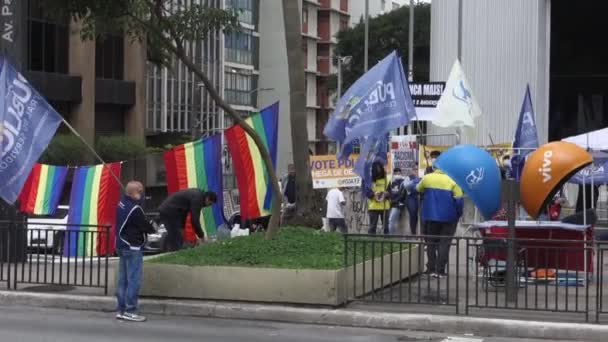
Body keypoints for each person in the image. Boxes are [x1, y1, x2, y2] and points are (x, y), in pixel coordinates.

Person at [115, 181, 156, 322]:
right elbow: (146, 226)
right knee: (133, 280)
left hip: (121, 246)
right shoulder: (135, 209)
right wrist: (152, 226)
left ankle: (121, 310)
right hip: (132, 248)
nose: (143, 194)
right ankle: (130, 310)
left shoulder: (121, 203)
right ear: (136, 192)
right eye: (142, 191)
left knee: (123, 280)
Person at [416, 165, 464, 278]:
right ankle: (440, 271)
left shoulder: (427, 178)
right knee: (444, 244)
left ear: (434, 168)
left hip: (431, 217)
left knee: (431, 243)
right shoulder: (453, 180)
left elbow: (418, 189)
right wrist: (458, 213)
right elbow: (459, 200)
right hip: (449, 217)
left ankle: (430, 269)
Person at [366, 161, 390, 235]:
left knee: (386, 227)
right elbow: (367, 192)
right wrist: (374, 195)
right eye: (377, 170)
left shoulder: (387, 179)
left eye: (380, 169)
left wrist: (386, 194)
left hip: (384, 206)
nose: (379, 171)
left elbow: (390, 192)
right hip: (373, 206)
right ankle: (371, 242)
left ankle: (386, 242)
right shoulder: (369, 180)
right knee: (372, 227)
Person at [387, 168, 407, 235]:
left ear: (401, 174)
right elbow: (388, 192)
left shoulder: (403, 182)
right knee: (390, 221)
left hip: (398, 205)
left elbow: (402, 195)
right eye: (396, 173)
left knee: (391, 220)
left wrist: (394, 201)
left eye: (399, 173)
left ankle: (391, 237)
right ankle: (391, 235)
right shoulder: (392, 182)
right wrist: (389, 199)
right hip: (390, 204)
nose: (397, 175)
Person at [403, 167, 421, 235]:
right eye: (414, 170)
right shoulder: (408, 177)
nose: (416, 171)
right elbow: (406, 186)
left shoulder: (422, 177)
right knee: (413, 214)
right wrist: (414, 181)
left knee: (417, 216)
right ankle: (413, 232)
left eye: (417, 169)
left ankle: (418, 232)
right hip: (411, 198)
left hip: (419, 197)